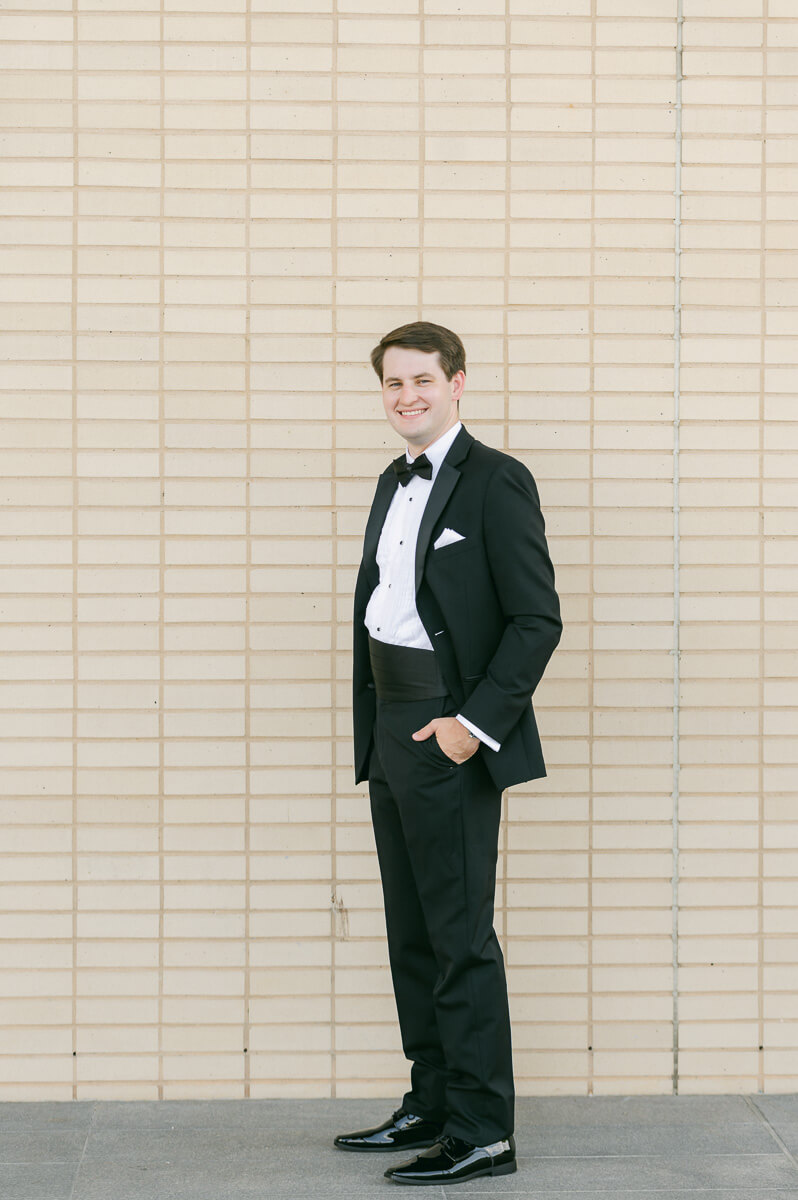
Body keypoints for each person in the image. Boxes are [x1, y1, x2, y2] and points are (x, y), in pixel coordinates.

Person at [334, 321, 562, 1186]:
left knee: (459, 936)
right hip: (391, 725)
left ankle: (483, 1130)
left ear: (458, 383)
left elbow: (538, 620)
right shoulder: (391, 482)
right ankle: (431, 1101)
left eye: (422, 381)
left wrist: (472, 724)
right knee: (412, 933)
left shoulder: (497, 482)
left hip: (449, 731)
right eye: (393, 384)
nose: (407, 397)